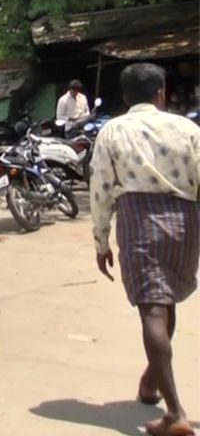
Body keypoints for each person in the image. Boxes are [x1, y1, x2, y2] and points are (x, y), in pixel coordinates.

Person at [90, 63, 199, 436]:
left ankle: (175, 413)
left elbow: (101, 188)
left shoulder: (113, 130)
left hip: (139, 219)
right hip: (186, 219)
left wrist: (101, 239)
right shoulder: (186, 128)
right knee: (165, 305)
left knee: (153, 310)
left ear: (124, 97)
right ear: (161, 93)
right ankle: (150, 384)